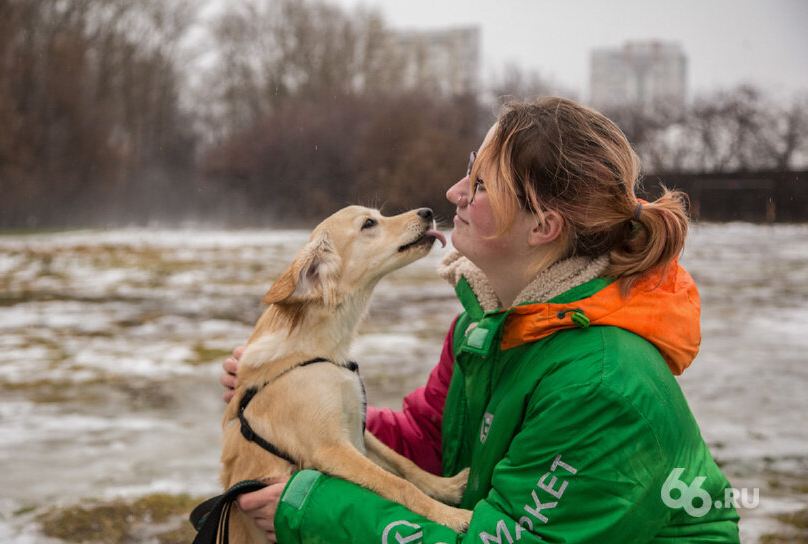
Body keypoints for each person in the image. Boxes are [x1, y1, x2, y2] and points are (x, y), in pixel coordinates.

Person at [219, 97, 741, 543]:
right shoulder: (486, 324)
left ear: (544, 226)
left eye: (482, 183)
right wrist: (296, 409)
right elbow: (433, 442)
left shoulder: (603, 387)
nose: (454, 191)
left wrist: (316, 509)